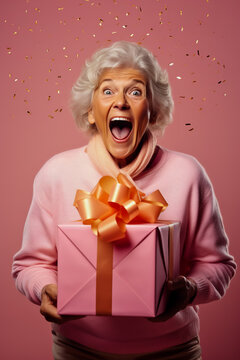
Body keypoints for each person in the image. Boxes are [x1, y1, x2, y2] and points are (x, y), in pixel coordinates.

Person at [12, 41, 236, 360]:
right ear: (90, 111)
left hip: (173, 351)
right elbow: (30, 264)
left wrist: (189, 290)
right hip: (77, 350)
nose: (120, 103)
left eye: (135, 92)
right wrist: (45, 289)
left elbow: (218, 265)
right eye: (107, 91)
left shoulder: (189, 174)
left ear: (153, 110)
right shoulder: (56, 173)